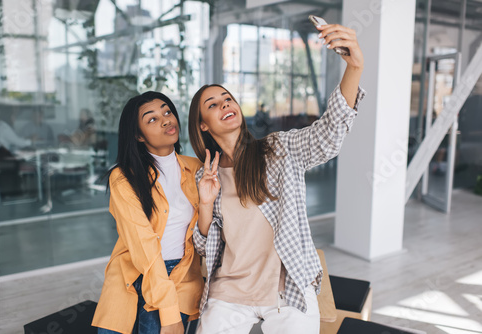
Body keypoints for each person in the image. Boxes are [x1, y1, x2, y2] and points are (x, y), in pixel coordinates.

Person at [188, 23, 365, 334]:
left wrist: (354, 66)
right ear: (203, 126)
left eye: (227, 98)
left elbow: (328, 135)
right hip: (230, 293)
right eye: (212, 105)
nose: (224, 105)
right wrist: (205, 203)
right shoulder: (206, 174)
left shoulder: (277, 149)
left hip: (287, 289)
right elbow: (204, 246)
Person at [92, 91, 204, 334]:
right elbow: (143, 244)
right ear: (138, 136)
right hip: (137, 271)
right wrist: (169, 312)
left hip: (183, 274)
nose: (165, 120)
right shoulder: (123, 177)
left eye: (167, 111)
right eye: (151, 119)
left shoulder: (196, 169)